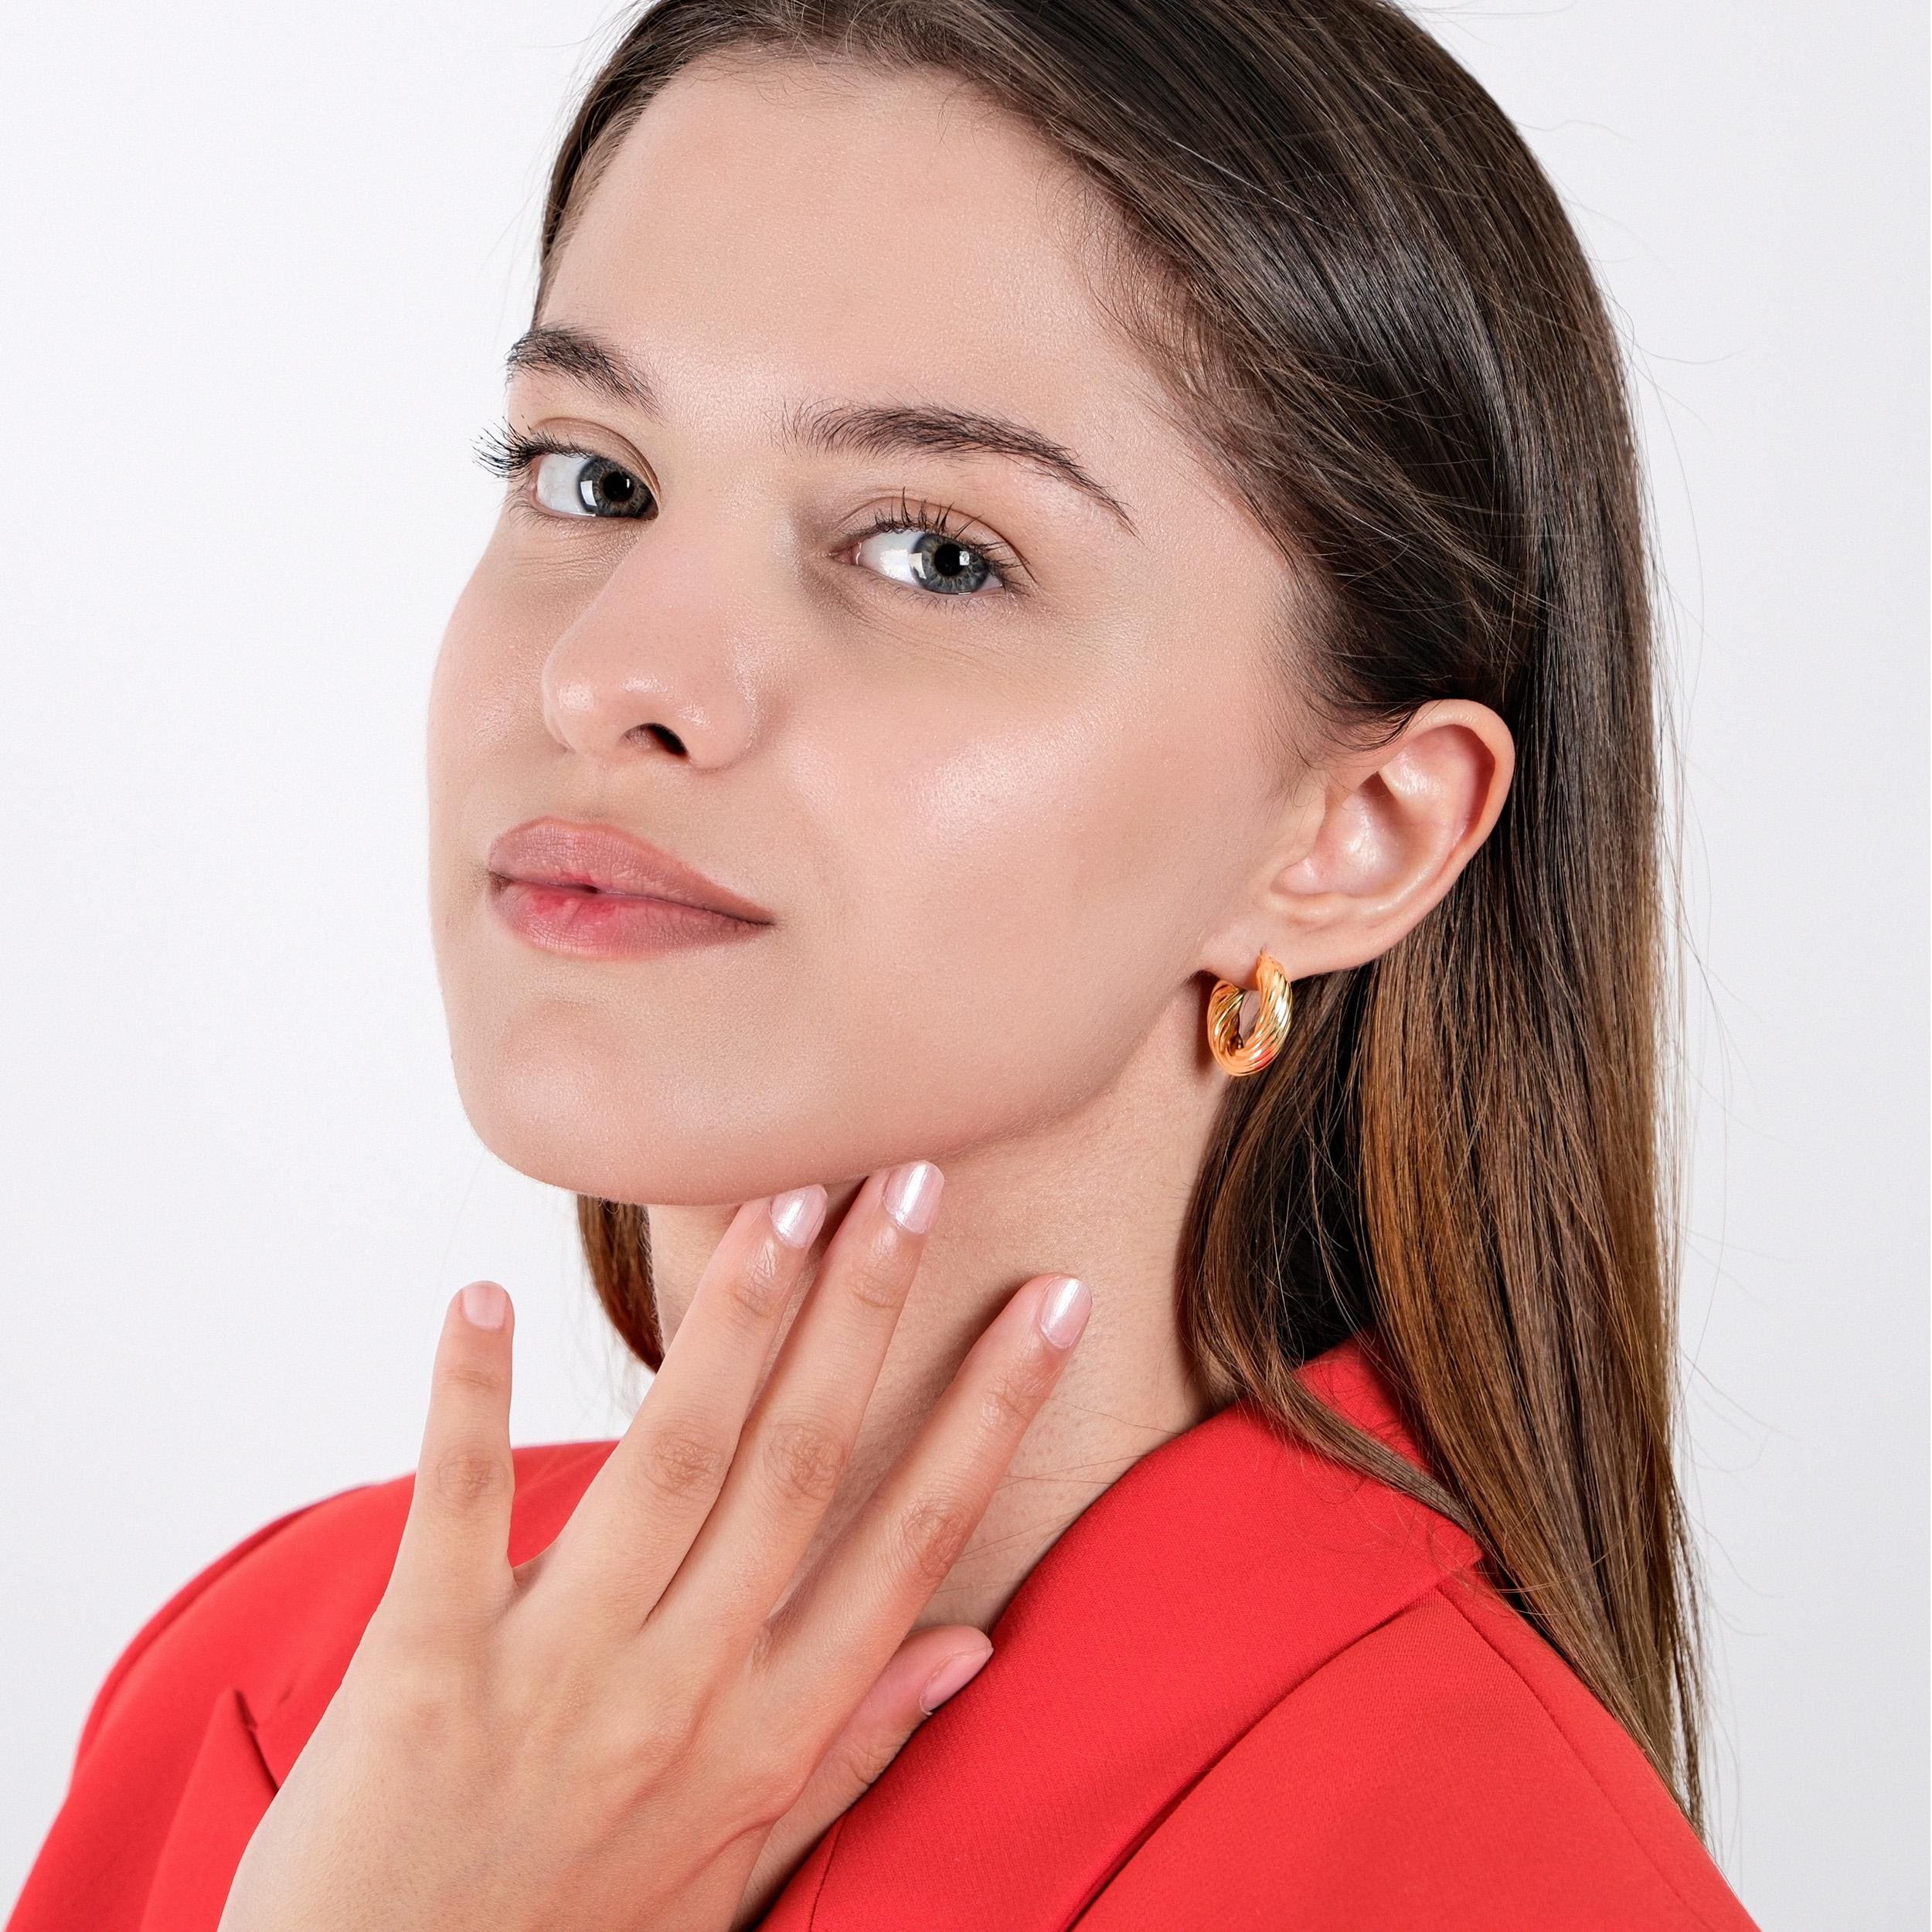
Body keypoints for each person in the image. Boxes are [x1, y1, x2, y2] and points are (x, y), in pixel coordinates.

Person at [9, 2, 1765, 1927]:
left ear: (1353, 831)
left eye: (934, 552)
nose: (611, 673)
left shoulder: (1484, 1875)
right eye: (591, 476)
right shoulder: (272, 1686)